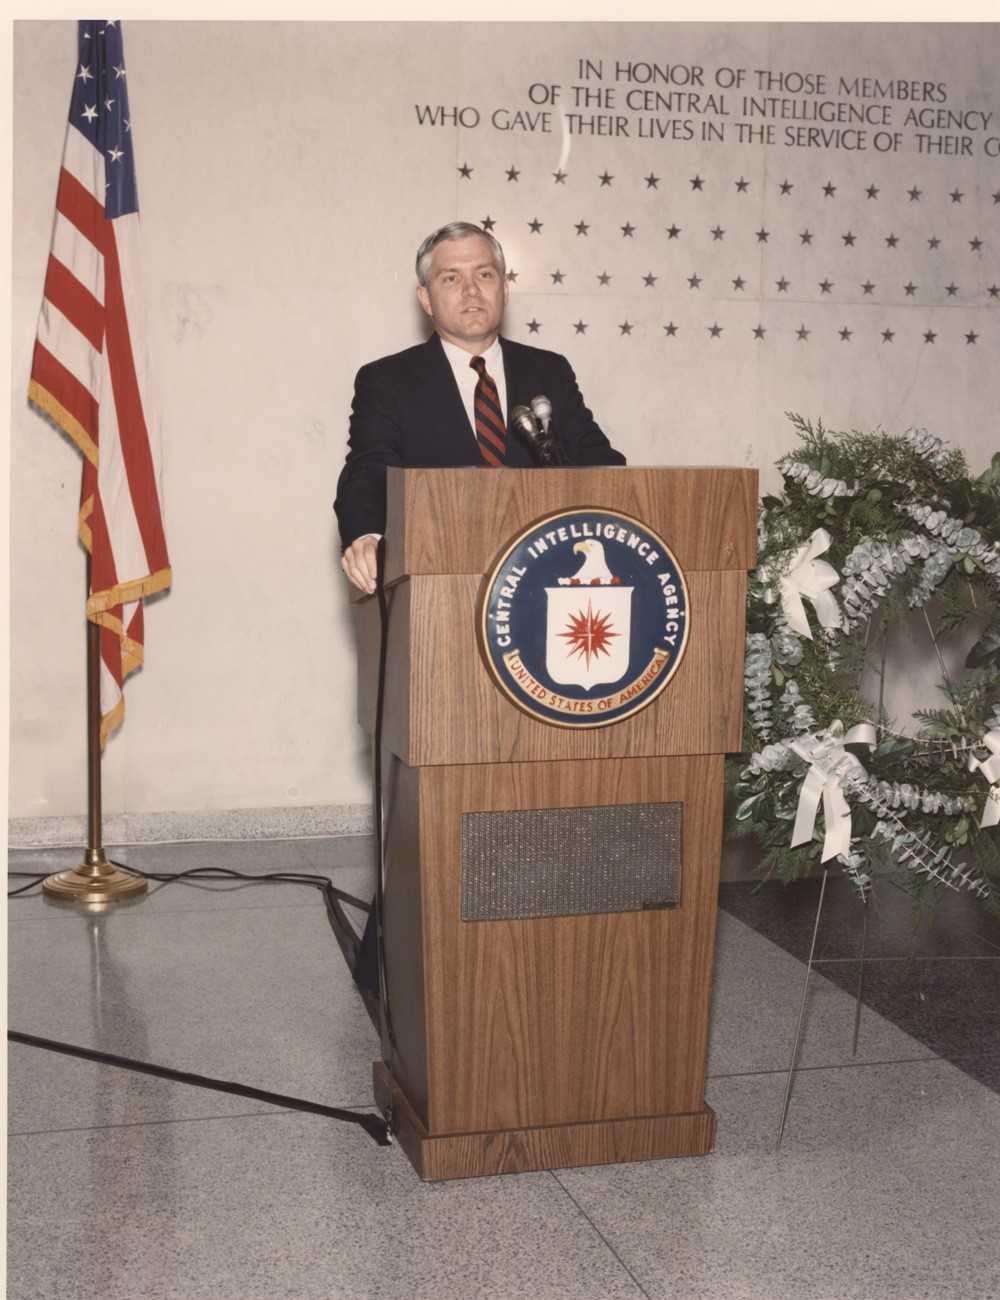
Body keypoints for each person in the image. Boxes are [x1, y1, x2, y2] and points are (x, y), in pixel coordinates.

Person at [335, 221, 626, 593]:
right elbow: (369, 470)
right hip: (439, 588)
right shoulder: (387, 380)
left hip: (548, 580)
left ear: (504, 289)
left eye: (484, 274)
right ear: (425, 298)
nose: (471, 290)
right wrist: (367, 536)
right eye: (451, 279)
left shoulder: (549, 371)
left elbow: (600, 463)